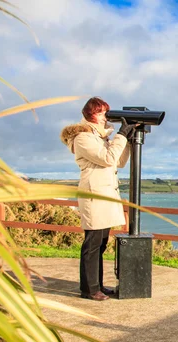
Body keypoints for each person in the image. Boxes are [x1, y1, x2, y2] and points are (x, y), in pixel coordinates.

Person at [60, 97, 138, 301]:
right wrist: (121, 134)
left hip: (104, 195)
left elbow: (118, 161)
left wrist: (127, 139)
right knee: (92, 244)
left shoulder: (100, 138)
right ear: (92, 114)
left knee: (101, 243)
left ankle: (98, 286)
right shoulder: (83, 138)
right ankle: (89, 289)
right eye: (104, 112)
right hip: (94, 196)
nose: (107, 116)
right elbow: (107, 159)